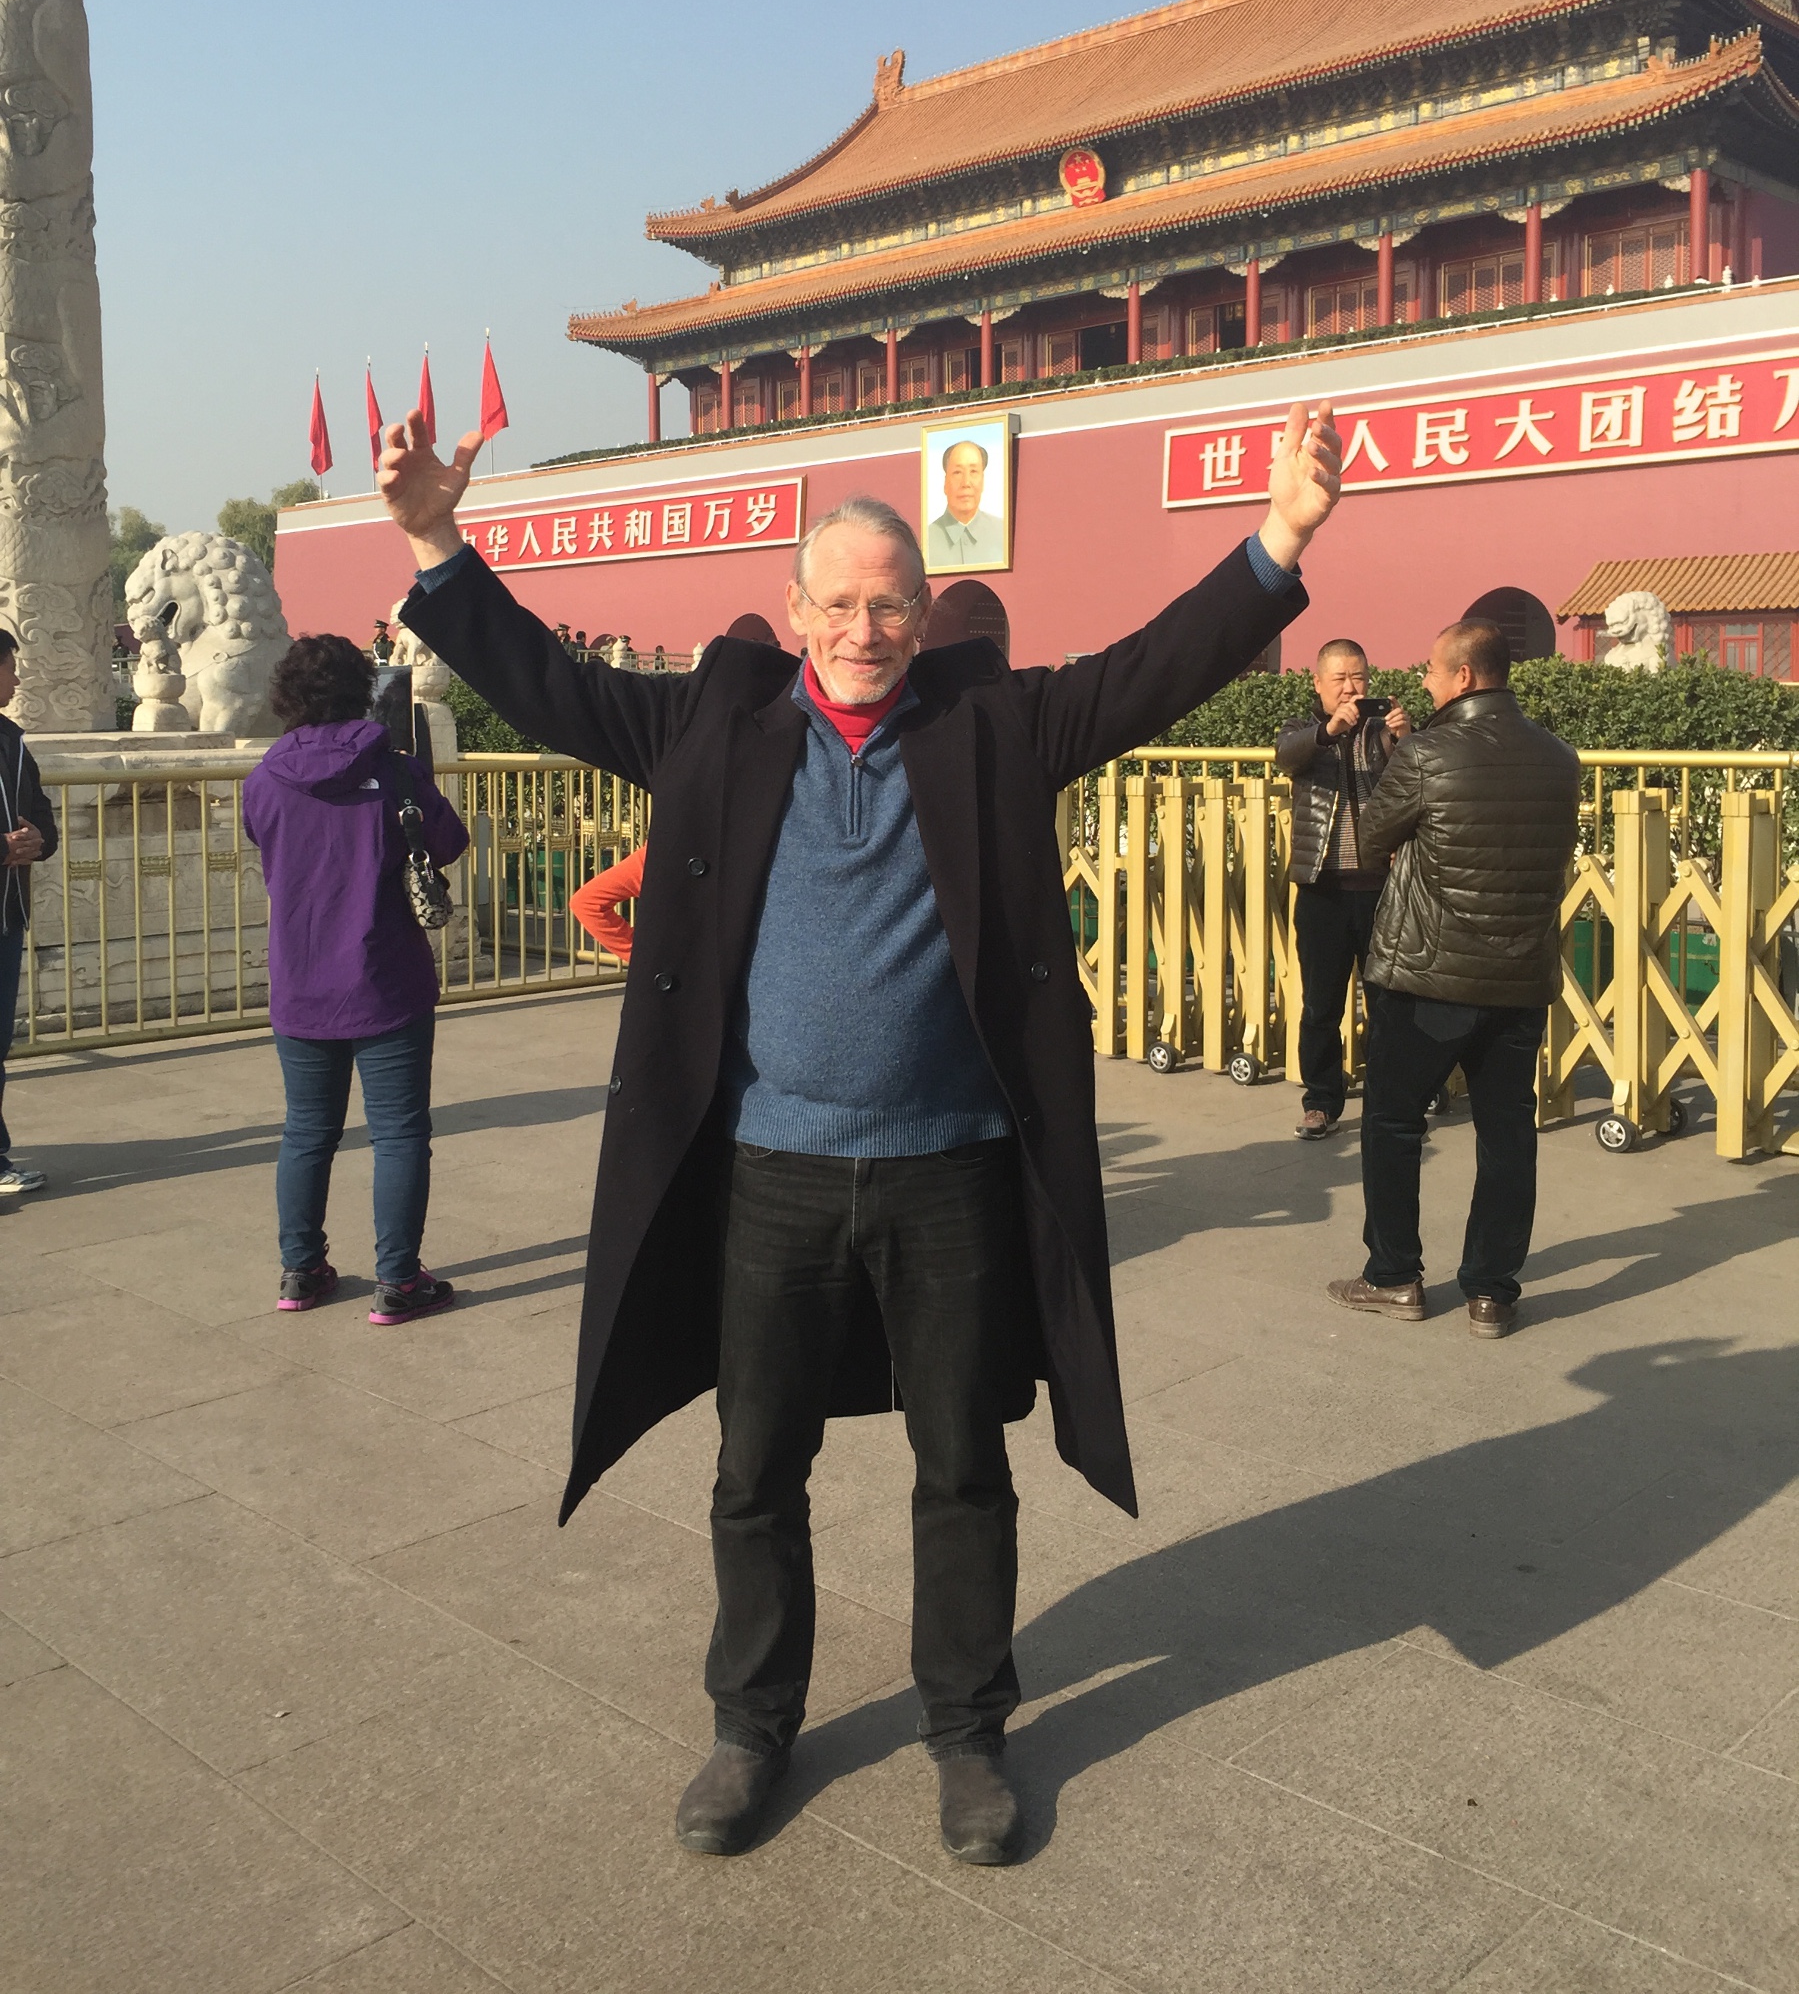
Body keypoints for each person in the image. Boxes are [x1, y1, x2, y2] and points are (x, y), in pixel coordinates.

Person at [380, 393, 1339, 1865]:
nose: (864, 628)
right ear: (794, 608)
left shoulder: (988, 725)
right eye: (837, 603)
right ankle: (749, 1723)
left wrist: (1275, 539)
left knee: (963, 1460)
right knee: (752, 1461)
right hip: (768, 1172)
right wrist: (442, 544)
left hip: (948, 1166)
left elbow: (1151, 671)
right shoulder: (716, 724)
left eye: (889, 603)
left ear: (919, 611)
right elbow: (549, 687)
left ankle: (967, 1730)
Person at [1327, 618, 1579, 1340]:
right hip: (1518, 974)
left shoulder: (1428, 755)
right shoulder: (1559, 757)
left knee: (1392, 1120)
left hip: (1426, 971)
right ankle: (1492, 1292)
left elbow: (1371, 838)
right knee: (1506, 1132)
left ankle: (1394, 1275)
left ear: (1464, 676)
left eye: (1434, 671)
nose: (1425, 683)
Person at [242, 634, 470, 1324]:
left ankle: (300, 1269)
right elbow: (449, 842)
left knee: (307, 1131)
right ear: (363, 688)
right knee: (398, 1132)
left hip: (301, 979)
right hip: (386, 976)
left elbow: (266, 847)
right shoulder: (396, 772)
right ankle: (398, 1280)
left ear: (285, 694)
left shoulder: (264, 778)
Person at [1275, 641, 1410, 1139]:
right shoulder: (1301, 731)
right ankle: (1322, 1100)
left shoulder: (1383, 731)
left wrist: (1404, 739)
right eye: (1340, 679)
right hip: (1323, 889)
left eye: (1359, 677)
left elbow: (1410, 780)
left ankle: (1388, 1098)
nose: (1351, 688)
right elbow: (1288, 758)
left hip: (1383, 888)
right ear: (1319, 684)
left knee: (1388, 1000)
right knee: (1321, 1003)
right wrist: (1329, 732)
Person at [0, 629, 58, 1200]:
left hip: (8, 913)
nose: (16, 678)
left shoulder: (13, 742)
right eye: (10, 666)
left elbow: (42, 813)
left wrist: (40, 838)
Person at [926, 438, 1006, 571]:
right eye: (957, 472)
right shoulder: (926, 540)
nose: (966, 483)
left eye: (973, 472)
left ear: (983, 481)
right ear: (945, 483)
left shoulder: (1003, 533)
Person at [572, 845, 645, 963]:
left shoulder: (656, 855)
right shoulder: (656, 855)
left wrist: (642, 953)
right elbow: (587, 903)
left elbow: (587, 903)